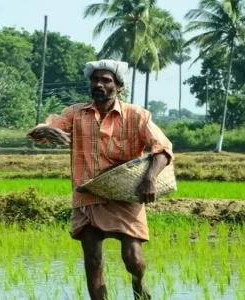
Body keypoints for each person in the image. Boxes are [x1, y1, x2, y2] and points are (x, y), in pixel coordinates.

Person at [27, 59, 173, 300]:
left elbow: (162, 149)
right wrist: (45, 129)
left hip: (125, 193)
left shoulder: (136, 116)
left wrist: (149, 179)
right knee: (93, 260)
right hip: (88, 194)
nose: (99, 84)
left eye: (106, 80)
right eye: (95, 80)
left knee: (133, 258)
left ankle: (139, 284)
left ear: (119, 86)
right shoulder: (75, 114)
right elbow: (40, 131)